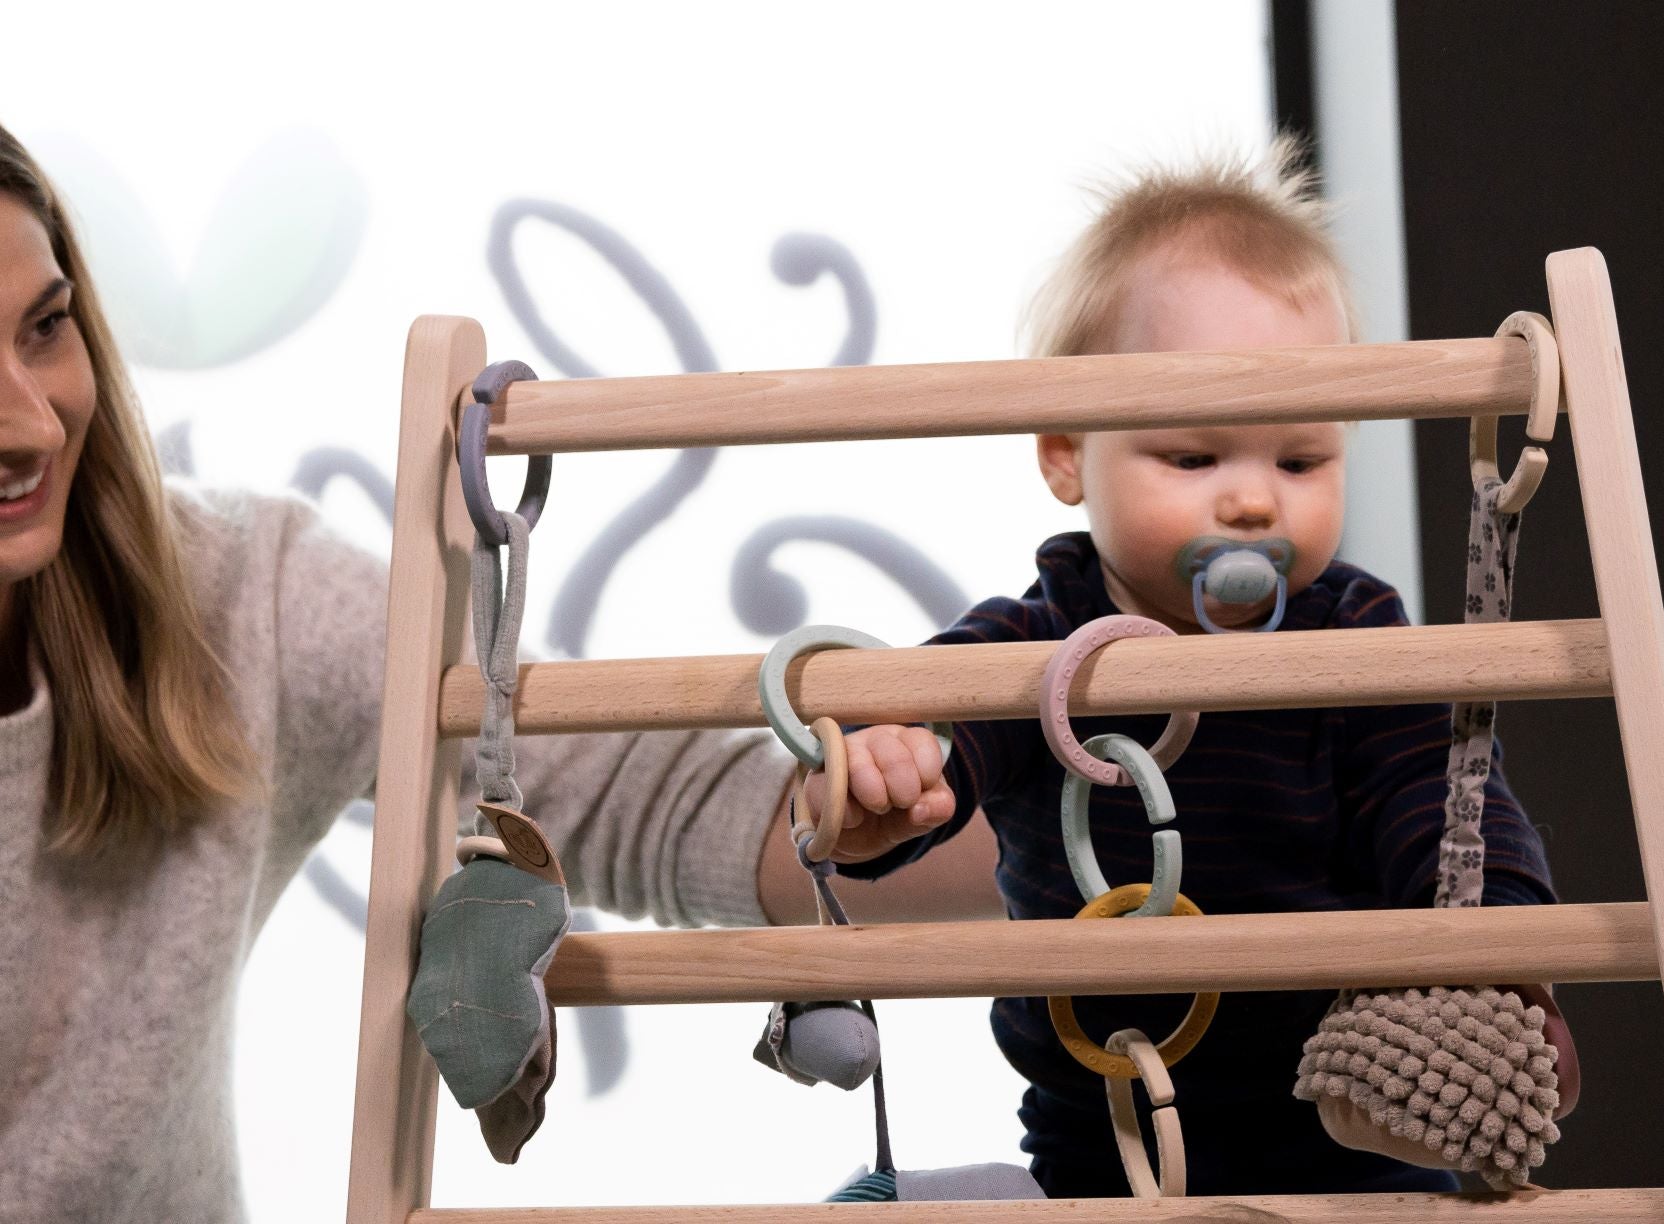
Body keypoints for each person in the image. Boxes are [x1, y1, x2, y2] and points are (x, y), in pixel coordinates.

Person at [0, 123, 1003, 1222]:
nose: (31, 422)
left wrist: (908, 804)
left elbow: (641, 798)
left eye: (45, 329)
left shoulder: (237, 606)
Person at [802, 138, 1557, 1196]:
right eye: (1194, 458)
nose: (1253, 501)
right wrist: (891, 776)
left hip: (1359, 1120)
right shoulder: (1038, 639)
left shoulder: (1353, 635)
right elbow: (940, 730)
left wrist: (1499, 954)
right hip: (1098, 1141)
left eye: (1300, 459)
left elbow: (1442, 806)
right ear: (1067, 453)